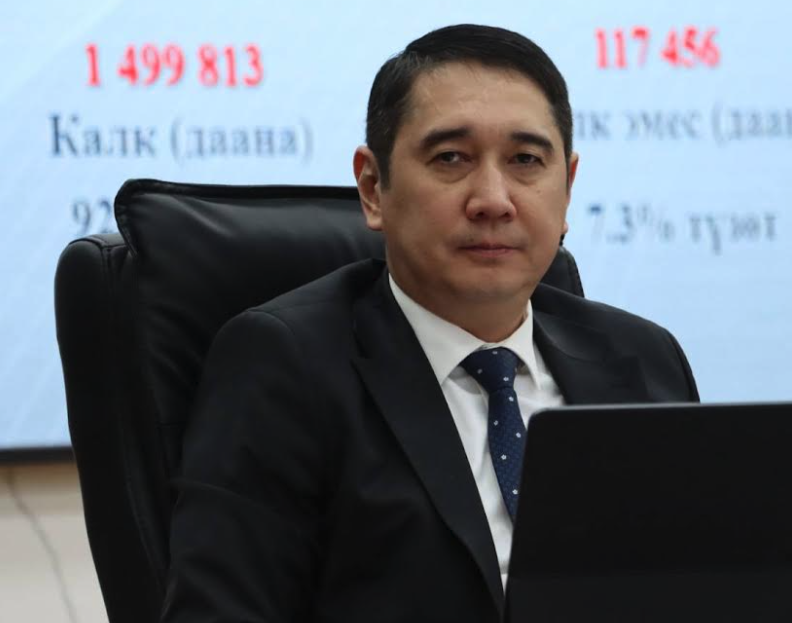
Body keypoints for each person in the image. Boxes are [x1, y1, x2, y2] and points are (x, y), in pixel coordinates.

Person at [161, 24, 698, 623]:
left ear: (568, 188)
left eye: (525, 160)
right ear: (373, 189)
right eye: (451, 159)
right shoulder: (285, 365)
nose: (493, 199)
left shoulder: (643, 356)